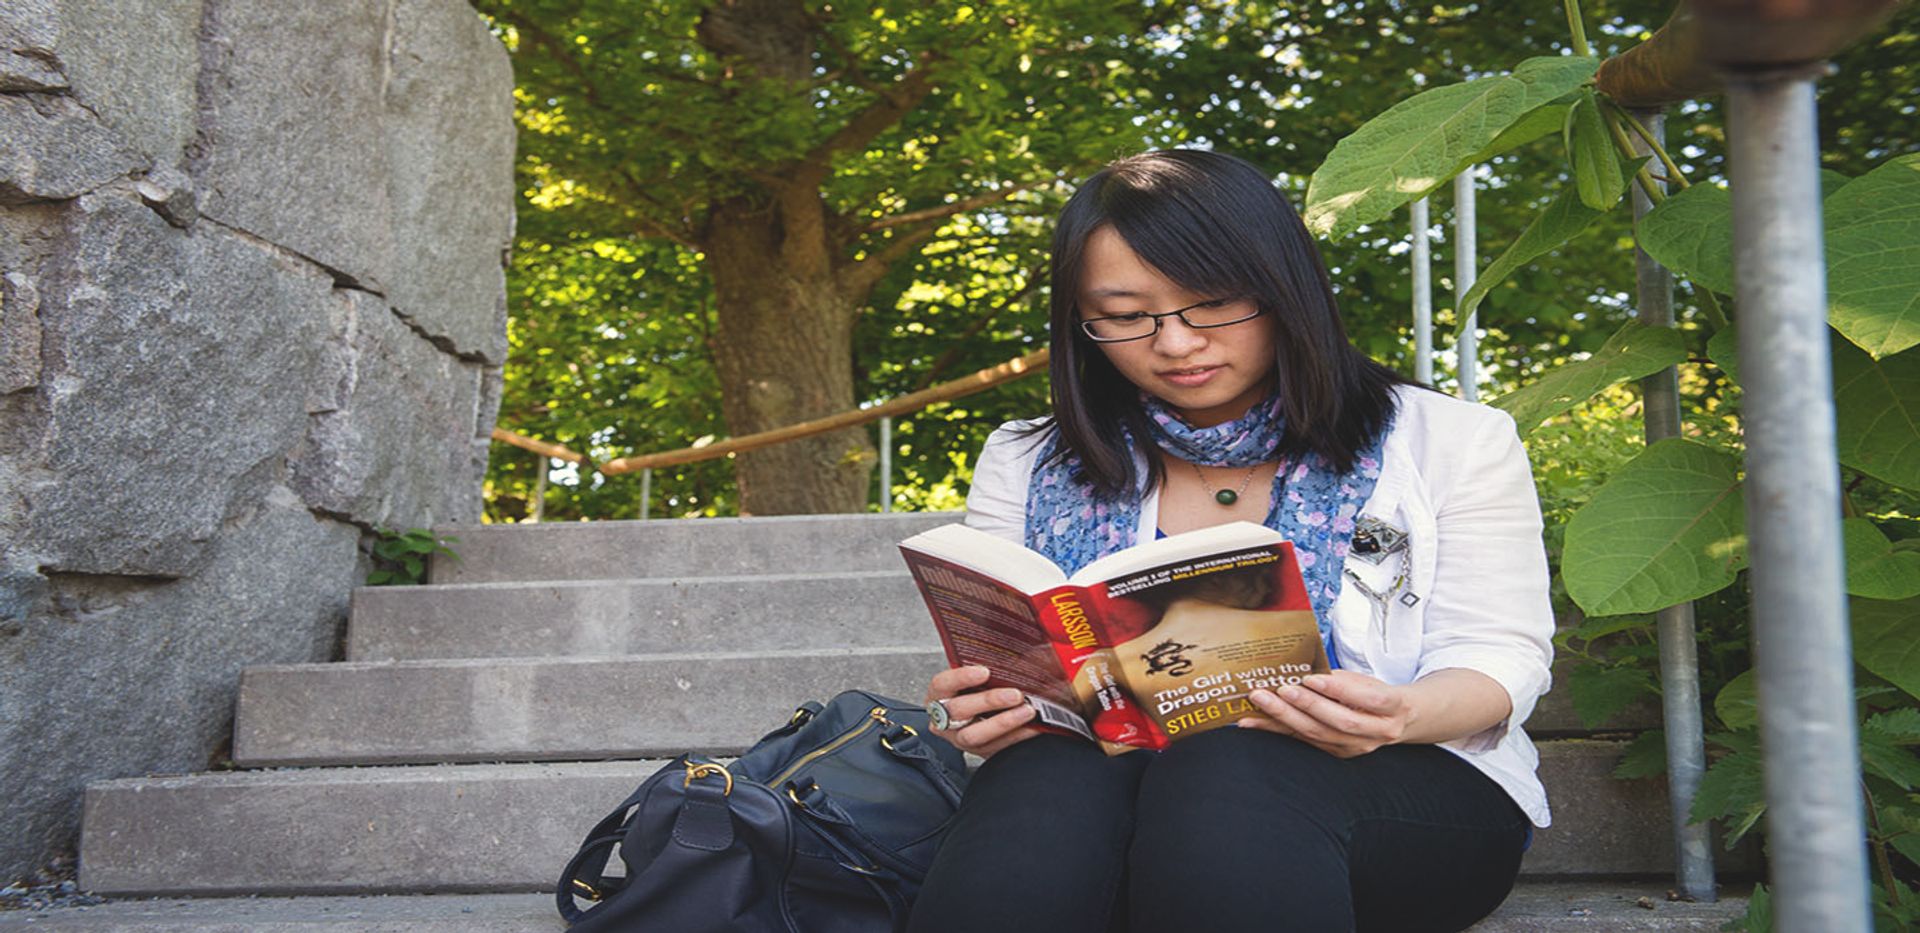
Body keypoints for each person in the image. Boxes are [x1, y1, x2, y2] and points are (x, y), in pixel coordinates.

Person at [907, 149, 1554, 933]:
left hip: (1399, 788)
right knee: (1050, 766)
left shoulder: (1452, 440)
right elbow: (1020, 665)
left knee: (1227, 760)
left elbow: (1500, 656)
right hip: (1114, 796)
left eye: (1211, 304)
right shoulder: (1026, 458)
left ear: (1285, 292)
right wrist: (982, 711)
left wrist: (1401, 712)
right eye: (1125, 313)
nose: (1176, 343)